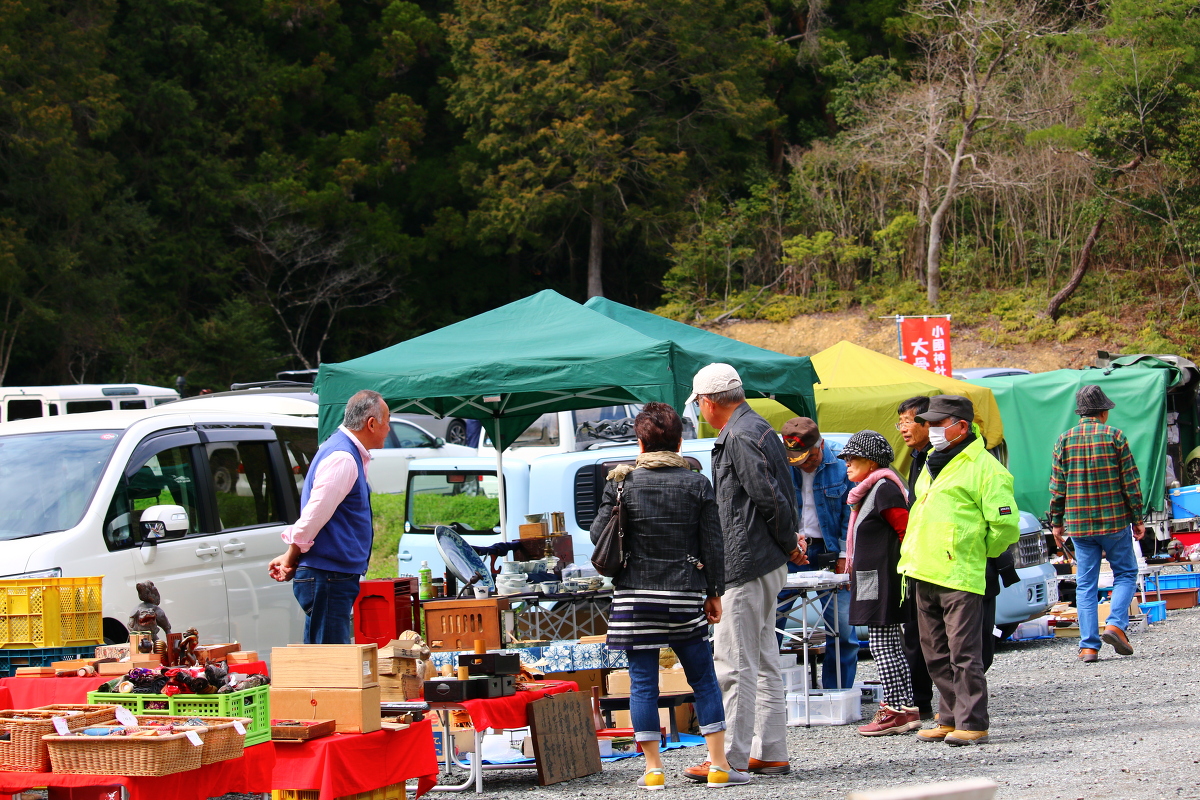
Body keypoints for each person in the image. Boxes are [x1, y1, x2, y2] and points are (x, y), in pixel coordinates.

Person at [589, 403, 740, 789]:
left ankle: (653, 770)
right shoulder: (696, 483)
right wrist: (714, 592)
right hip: (684, 593)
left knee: (642, 683)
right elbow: (713, 543)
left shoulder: (620, 482)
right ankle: (719, 765)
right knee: (704, 679)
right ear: (679, 440)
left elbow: (597, 536)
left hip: (635, 599)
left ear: (640, 441)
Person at [681, 364, 798, 783]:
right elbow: (781, 494)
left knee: (734, 662)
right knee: (763, 659)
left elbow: (768, 496)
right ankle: (770, 752)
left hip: (748, 561)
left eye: (699, 405)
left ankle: (728, 758)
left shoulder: (739, 435)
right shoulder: (760, 427)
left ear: (708, 403)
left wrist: (787, 541)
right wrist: (788, 543)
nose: (700, 412)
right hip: (766, 559)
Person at [898, 395, 1019, 746]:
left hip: (960, 573)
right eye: (930, 423)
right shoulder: (931, 461)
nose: (932, 430)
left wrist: (977, 552)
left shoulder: (985, 468)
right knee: (934, 652)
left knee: (964, 652)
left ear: (961, 426)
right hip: (923, 569)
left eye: (938, 424)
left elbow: (1005, 526)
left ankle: (973, 721)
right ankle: (948, 716)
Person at [268, 389, 391, 644]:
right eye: (386, 421)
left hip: (330, 574)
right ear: (371, 423)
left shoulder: (342, 451)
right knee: (329, 663)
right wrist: (291, 556)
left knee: (326, 658)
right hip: (328, 575)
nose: (389, 428)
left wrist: (291, 555)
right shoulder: (343, 458)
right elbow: (313, 517)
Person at [1048, 385, 1144, 663]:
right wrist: (1137, 518)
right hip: (1114, 520)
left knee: (1086, 584)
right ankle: (1115, 625)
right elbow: (1131, 482)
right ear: (1103, 412)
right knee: (1125, 573)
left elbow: (1057, 488)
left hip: (1079, 524)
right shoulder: (1115, 436)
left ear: (1080, 414)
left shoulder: (1063, 441)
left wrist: (1056, 523)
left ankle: (1089, 646)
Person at [835, 431, 920, 736]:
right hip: (876, 578)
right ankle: (904, 708)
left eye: (852, 458)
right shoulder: (873, 489)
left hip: (883, 580)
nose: (846, 464)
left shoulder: (883, 488)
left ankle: (895, 709)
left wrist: (905, 573)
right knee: (889, 646)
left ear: (871, 462)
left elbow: (905, 531)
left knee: (883, 646)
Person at [778, 417, 858, 691]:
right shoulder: (778, 462)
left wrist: (845, 554)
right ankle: (771, 694)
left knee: (843, 628)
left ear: (820, 444)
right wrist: (788, 543)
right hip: (788, 551)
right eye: (796, 460)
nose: (804, 464)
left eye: (809, 457)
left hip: (830, 551)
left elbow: (851, 511)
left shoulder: (840, 461)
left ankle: (838, 693)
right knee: (771, 623)